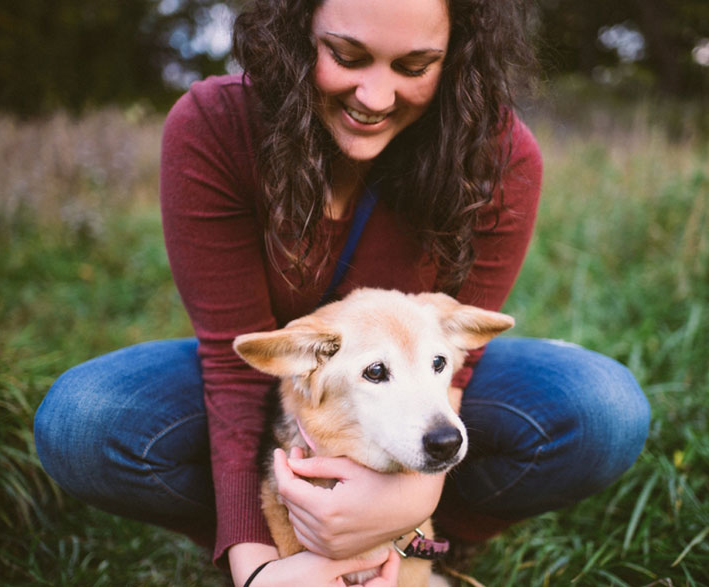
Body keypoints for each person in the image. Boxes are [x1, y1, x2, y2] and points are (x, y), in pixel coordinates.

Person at [34, 0, 650, 585]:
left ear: (457, 55)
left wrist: (411, 503)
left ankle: (423, 545)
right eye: (347, 56)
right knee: (84, 421)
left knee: (602, 410)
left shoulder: (496, 156)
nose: (375, 98)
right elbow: (234, 368)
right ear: (298, 33)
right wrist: (258, 568)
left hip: (424, 395)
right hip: (272, 380)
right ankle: (279, 539)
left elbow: (459, 365)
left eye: (414, 67)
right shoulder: (216, 127)